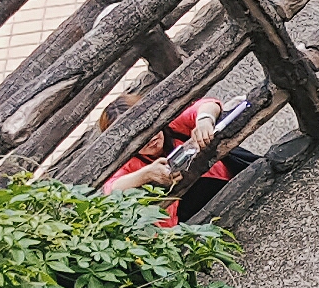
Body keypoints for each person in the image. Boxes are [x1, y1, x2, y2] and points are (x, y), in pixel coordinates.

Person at [97, 89, 258, 226]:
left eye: (148, 128)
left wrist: (204, 121)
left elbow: (206, 105)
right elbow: (111, 189)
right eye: (136, 138)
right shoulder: (130, 164)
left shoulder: (172, 124)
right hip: (192, 213)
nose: (149, 139)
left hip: (228, 176)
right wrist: (146, 174)